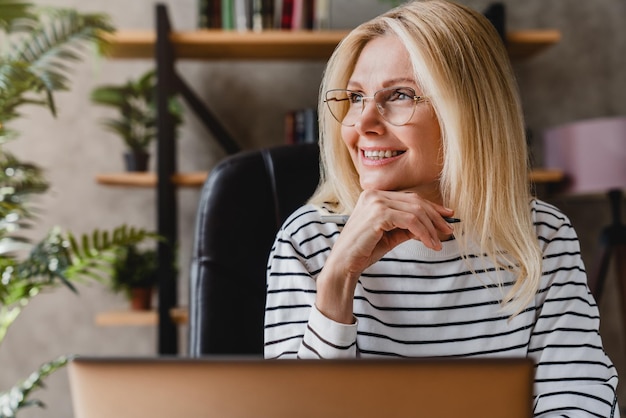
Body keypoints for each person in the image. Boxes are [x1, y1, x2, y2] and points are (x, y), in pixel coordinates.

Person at [264, 0, 619, 416]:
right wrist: (337, 281)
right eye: (356, 97)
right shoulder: (309, 239)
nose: (362, 123)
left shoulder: (543, 235)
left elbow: (581, 401)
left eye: (399, 95)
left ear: (468, 112)